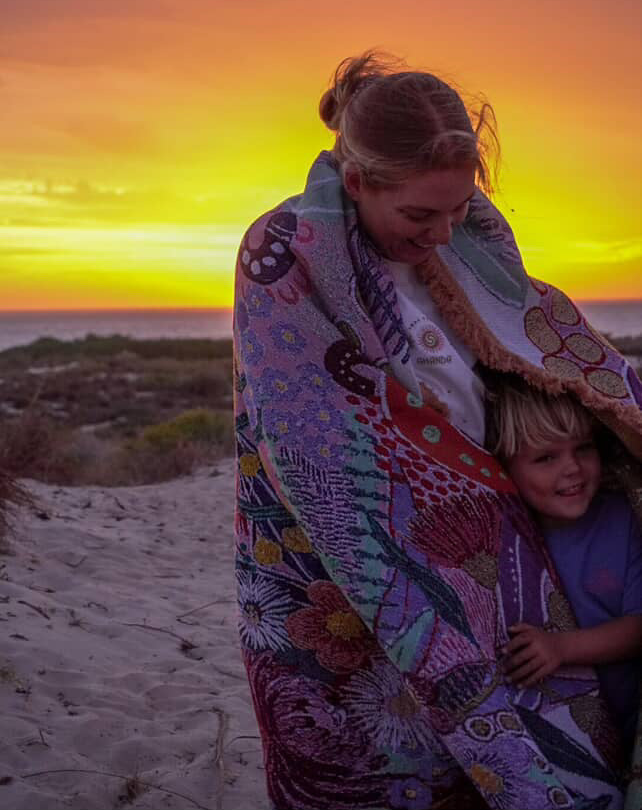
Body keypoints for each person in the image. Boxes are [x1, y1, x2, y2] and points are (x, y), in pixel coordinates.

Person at [234, 51, 642, 810]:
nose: (442, 233)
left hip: (487, 553)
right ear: (357, 182)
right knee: (372, 754)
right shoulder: (283, 254)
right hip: (345, 563)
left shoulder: (472, 244)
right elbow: (308, 431)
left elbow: (535, 342)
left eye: (457, 210)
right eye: (420, 215)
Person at [486, 382, 642, 748]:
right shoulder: (499, 537)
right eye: (546, 458)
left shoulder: (625, 519)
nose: (573, 468)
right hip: (563, 742)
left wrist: (561, 648)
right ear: (505, 465)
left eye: (583, 448)